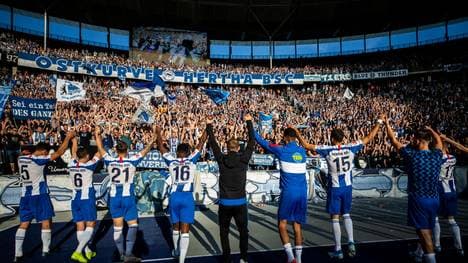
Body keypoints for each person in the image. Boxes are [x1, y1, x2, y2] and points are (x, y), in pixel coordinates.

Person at [291, 114, 384, 259]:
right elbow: (369, 137)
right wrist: (379, 122)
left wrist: (297, 133)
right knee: (346, 214)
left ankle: (339, 250)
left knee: (335, 218)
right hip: (347, 187)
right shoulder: (351, 147)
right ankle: (351, 241)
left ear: (332, 138)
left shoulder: (327, 149)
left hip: (335, 187)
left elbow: (307, 146)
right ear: (343, 138)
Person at [385, 118, 444, 263]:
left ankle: (431, 259)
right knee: (427, 230)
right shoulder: (437, 155)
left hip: (419, 199)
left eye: (415, 139)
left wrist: (386, 124)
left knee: (423, 232)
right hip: (434, 199)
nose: (413, 141)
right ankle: (420, 254)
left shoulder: (413, 156)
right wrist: (431, 130)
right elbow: (439, 143)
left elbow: (394, 141)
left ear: (420, 140)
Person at [95, 125, 157, 262]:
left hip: (114, 198)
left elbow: (100, 148)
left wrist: (97, 134)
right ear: (127, 150)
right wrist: (152, 141)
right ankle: (128, 254)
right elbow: (144, 151)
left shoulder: (110, 160)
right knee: (133, 225)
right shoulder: (132, 160)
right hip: (128, 197)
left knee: (117, 228)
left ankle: (122, 253)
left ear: (116, 150)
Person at [14, 131, 75, 262]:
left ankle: (17, 253)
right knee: (46, 221)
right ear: (43, 152)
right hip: (39, 195)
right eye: (46, 153)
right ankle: (45, 250)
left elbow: (26, 153)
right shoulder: (38, 160)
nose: (47, 155)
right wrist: (68, 138)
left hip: (25, 196)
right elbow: (59, 152)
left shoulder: (21, 159)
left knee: (24, 224)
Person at [254, 125, 307, 263]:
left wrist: (249, 125)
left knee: (282, 224)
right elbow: (304, 145)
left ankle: (290, 258)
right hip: (302, 192)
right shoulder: (302, 151)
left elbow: (261, 141)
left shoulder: (281, 150)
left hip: (288, 192)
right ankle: (299, 259)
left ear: (286, 138)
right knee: (297, 226)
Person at [206, 114, 255, 263]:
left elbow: (213, 142)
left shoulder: (221, 159)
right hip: (240, 202)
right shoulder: (244, 159)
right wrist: (249, 122)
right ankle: (244, 258)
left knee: (224, 232)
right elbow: (252, 141)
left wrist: (209, 125)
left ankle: (226, 259)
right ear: (238, 148)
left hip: (225, 203)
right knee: (243, 232)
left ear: (226, 148)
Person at [155, 124, 207, 263]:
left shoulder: (171, 161)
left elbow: (160, 147)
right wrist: (208, 127)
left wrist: (158, 132)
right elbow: (201, 143)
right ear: (188, 152)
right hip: (187, 197)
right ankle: (182, 260)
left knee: (175, 227)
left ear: (177, 152)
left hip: (174, 197)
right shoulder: (192, 160)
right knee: (185, 230)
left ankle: (176, 251)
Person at [69, 128, 102, 263]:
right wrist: (98, 136)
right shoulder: (89, 165)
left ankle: (87, 251)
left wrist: (74, 140)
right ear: (87, 156)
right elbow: (101, 153)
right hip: (86, 197)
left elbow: (73, 152)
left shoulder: (71, 164)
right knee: (90, 224)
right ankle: (77, 252)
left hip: (74, 198)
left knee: (80, 225)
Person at [432, 141, 464, 256]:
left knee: (435, 218)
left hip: (438, 191)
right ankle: (459, 247)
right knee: (451, 220)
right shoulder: (453, 158)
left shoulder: (437, 160)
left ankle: (437, 245)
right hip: (451, 191)